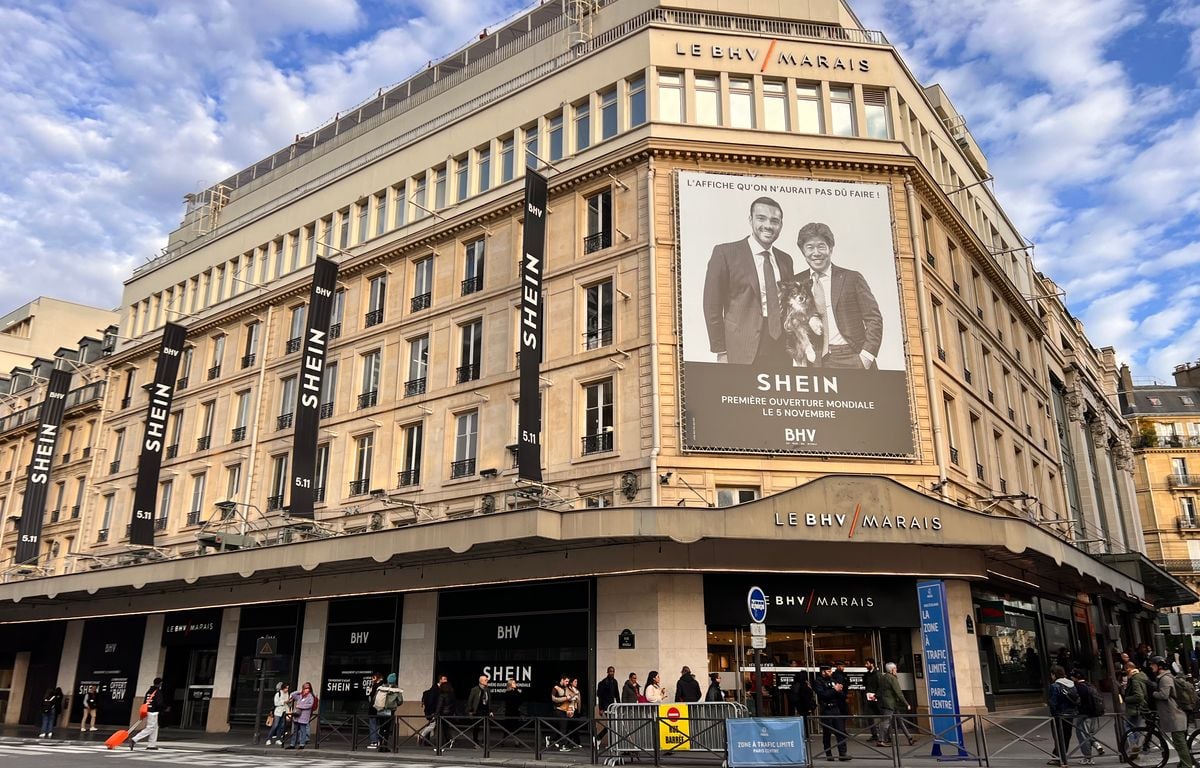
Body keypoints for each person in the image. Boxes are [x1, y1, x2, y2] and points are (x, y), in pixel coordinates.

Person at [702, 196, 795, 366]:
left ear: (781, 225)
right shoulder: (725, 253)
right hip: (741, 348)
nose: (768, 225)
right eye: (761, 218)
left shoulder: (785, 260)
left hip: (782, 347)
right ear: (750, 220)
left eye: (775, 221)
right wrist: (721, 351)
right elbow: (712, 306)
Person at [793, 222, 882, 369]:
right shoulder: (796, 282)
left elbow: (874, 318)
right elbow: (790, 317)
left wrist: (866, 357)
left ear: (831, 249)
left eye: (821, 246)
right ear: (803, 251)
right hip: (815, 361)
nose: (816, 253)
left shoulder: (852, 278)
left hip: (851, 356)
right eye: (809, 247)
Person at [1149, 655, 1194, 768]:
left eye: (1153, 664)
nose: (1151, 666)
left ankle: (1187, 765)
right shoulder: (1165, 677)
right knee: (1180, 743)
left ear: (1159, 666)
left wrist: (1153, 693)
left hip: (1175, 716)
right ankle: (1185, 763)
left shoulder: (1165, 678)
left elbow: (1164, 695)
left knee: (1180, 744)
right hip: (1175, 715)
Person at [815, 665, 849, 761]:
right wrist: (834, 690)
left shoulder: (833, 680)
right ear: (823, 672)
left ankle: (843, 753)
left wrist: (839, 690)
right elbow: (823, 695)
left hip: (836, 708)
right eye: (829, 671)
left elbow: (841, 695)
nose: (831, 673)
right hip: (826, 709)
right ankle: (828, 754)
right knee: (827, 733)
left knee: (840, 731)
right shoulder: (818, 682)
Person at [1046, 665, 1079, 766]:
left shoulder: (1055, 686)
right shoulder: (1072, 684)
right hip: (1070, 714)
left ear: (1053, 674)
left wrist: (1054, 713)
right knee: (1067, 735)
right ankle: (1062, 755)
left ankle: (1058, 757)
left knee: (1058, 736)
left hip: (1059, 714)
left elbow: (1053, 702)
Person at [877, 662, 913, 747]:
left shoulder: (883, 677)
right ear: (891, 670)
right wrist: (906, 703)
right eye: (895, 668)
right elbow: (898, 692)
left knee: (899, 720)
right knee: (886, 722)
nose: (896, 670)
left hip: (887, 703)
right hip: (890, 704)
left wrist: (876, 696)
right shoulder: (892, 678)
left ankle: (909, 737)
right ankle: (880, 740)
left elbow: (880, 690)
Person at [1122, 662, 1150, 757]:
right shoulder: (1142, 676)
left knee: (1127, 727)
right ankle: (1135, 749)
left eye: (1126, 668)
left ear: (1129, 668)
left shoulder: (1134, 679)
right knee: (1136, 728)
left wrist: (1126, 699)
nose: (1125, 671)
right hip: (1142, 706)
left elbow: (1139, 696)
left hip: (1135, 707)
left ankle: (1134, 745)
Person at [129, 678, 164, 750]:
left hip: (148, 710)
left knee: (155, 727)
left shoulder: (149, 691)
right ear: (160, 683)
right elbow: (159, 703)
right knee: (150, 728)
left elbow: (145, 701)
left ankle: (151, 745)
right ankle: (134, 739)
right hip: (153, 712)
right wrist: (165, 708)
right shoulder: (157, 692)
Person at [285, 682, 316, 750]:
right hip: (297, 716)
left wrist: (300, 706)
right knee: (295, 730)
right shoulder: (300, 695)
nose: (306, 689)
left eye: (308, 688)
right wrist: (300, 691)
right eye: (305, 688)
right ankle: (292, 744)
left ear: (310, 689)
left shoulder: (310, 696)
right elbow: (292, 694)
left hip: (304, 716)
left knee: (303, 730)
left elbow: (310, 705)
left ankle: (302, 744)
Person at [550, 675, 576, 751]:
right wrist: (566, 698)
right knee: (563, 727)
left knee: (561, 727)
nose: (567, 683)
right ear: (562, 680)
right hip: (558, 710)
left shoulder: (566, 688)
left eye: (568, 681)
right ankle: (562, 745)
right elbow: (554, 699)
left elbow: (569, 698)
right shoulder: (556, 688)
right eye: (566, 681)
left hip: (565, 710)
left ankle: (551, 739)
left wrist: (571, 708)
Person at [466, 674, 492, 748]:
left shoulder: (488, 690)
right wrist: (470, 711)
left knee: (486, 728)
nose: (487, 681)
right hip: (477, 711)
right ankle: (475, 742)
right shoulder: (475, 689)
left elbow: (489, 701)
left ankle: (485, 742)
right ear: (481, 681)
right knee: (476, 727)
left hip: (485, 711)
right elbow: (470, 700)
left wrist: (490, 710)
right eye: (485, 680)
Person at [418, 676, 443, 746]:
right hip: (433, 711)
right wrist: (433, 712)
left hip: (433, 711)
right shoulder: (435, 690)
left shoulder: (436, 689)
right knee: (432, 725)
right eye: (444, 679)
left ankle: (426, 740)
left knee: (432, 725)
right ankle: (422, 736)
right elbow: (432, 702)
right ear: (440, 680)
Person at [863, 658, 881, 744]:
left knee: (882, 716)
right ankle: (874, 734)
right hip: (868, 697)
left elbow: (880, 686)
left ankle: (884, 735)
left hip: (876, 698)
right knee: (869, 716)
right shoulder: (867, 674)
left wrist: (876, 695)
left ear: (872, 664)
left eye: (867, 664)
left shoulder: (877, 674)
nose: (866, 665)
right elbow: (865, 684)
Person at [366, 672, 385, 749]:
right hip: (381, 708)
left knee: (373, 724)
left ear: (377, 677)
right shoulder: (385, 685)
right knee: (380, 725)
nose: (372, 679)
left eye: (373, 678)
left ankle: (374, 741)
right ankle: (380, 740)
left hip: (374, 708)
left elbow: (371, 697)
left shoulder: (376, 686)